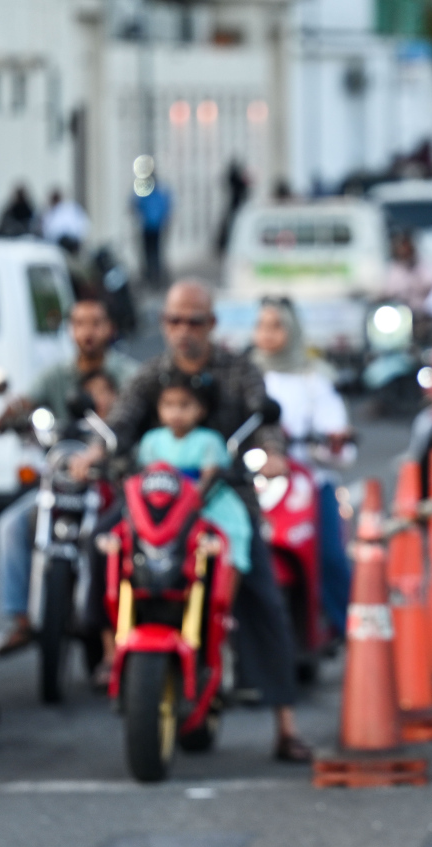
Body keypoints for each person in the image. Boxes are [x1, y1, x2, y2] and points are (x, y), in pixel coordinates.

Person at [71, 279, 314, 763]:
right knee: (101, 541)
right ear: (163, 324)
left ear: (212, 325)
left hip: (223, 499)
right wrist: (94, 451)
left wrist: (271, 453)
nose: (184, 330)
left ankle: (284, 725)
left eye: (195, 321)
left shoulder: (238, 371)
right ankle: (105, 647)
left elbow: (264, 422)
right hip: (154, 502)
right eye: (175, 320)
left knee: (263, 592)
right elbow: (120, 423)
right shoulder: (150, 375)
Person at [0, 298, 138, 654]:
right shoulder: (56, 375)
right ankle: (20, 619)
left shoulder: (128, 375)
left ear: (110, 329)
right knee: (10, 526)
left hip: (112, 483)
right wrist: (6, 416)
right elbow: (26, 403)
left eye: (96, 322)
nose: (88, 331)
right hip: (63, 481)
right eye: (80, 323)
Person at [250, 298, 355, 640]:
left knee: (330, 559)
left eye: (276, 326)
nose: (267, 334)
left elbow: (338, 442)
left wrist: (333, 441)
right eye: (262, 325)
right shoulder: (245, 375)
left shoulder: (314, 380)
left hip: (307, 484)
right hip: (254, 483)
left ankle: (352, 631)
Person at [137, 373, 252, 574]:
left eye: (184, 405)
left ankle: (226, 589)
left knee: (235, 533)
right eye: (168, 405)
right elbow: (145, 476)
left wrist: (192, 499)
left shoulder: (209, 441)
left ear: (201, 410)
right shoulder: (152, 440)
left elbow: (209, 478)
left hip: (205, 503)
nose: (176, 412)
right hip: (162, 504)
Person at [382, 232, 432, 316]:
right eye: (401, 247)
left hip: (425, 311)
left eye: (406, 246)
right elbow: (389, 291)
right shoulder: (394, 269)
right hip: (402, 313)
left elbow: (431, 283)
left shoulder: (422, 265)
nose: (404, 250)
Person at [131, 177, 173, 286]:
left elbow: (135, 206)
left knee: (150, 253)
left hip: (149, 227)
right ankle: (155, 276)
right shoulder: (160, 194)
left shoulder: (145, 194)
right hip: (155, 227)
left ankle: (152, 276)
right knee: (155, 253)